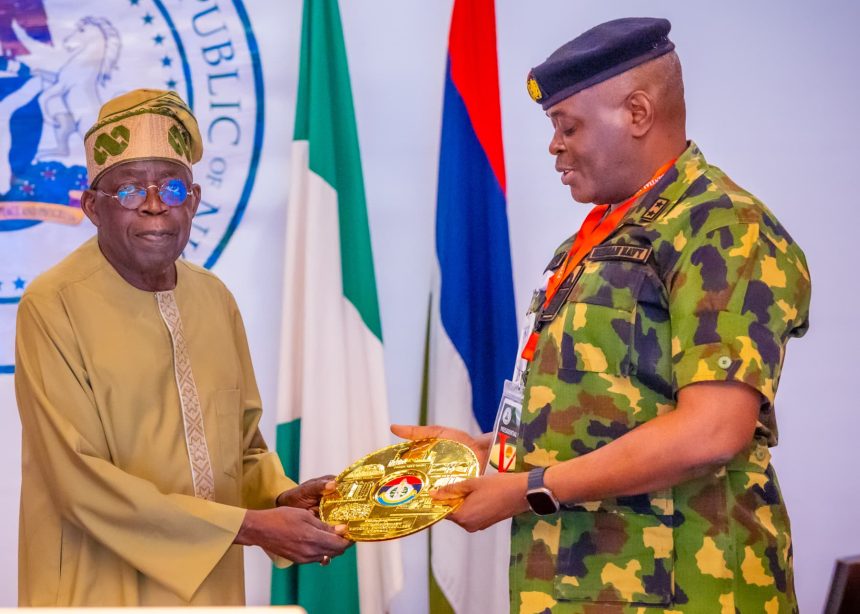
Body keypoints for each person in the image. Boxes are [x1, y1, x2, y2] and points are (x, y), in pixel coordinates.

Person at [394, 17, 810, 613]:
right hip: (577, 588)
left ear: (637, 113)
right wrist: (489, 450)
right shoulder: (589, 243)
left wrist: (526, 491)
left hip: (687, 590)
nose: (554, 145)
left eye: (569, 126)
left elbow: (713, 431)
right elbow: (607, 408)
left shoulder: (721, 227)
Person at [15, 89, 351, 606]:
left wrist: (281, 497)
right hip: (95, 584)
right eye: (128, 191)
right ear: (91, 207)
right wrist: (253, 527)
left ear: (192, 201)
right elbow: (78, 480)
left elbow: (243, 445)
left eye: (170, 187)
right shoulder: (51, 304)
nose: (153, 205)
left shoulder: (213, 298)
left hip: (211, 586)